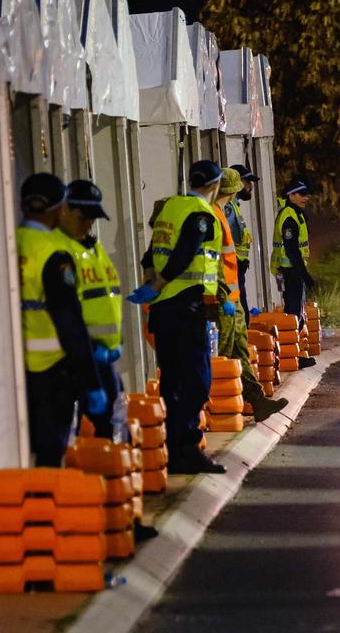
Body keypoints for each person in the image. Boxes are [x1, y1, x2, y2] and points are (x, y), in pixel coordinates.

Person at [128, 160, 226, 475]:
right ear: (214, 186)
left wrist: (150, 284)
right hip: (187, 309)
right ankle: (186, 448)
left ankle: (172, 450)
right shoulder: (201, 215)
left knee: (172, 382)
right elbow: (185, 254)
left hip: (164, 310)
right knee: (198, 382)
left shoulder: (169, 208)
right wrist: (157, 283)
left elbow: (150, 254)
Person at [16, 173, 105, 466]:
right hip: (51, 372)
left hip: (11, 372)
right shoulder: (53, 255)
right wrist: (91, 381)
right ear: (58, 208)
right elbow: (69, 322)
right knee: (50, 455)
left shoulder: (8, 244)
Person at [212, 168, 288, 421]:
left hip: (230, 299)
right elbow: (213, 263)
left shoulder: (223, 211)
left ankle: (257, 401)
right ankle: (211, 411)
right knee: (221, 356)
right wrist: (224, 298)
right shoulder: (215, 214)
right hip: (220, 300)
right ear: (233, 188)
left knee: (238, 353)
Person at [57, 180, 125, 440]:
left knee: (114, 427)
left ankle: (113, 477)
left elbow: (107, 299)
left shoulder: (94, 248)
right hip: (76, 359)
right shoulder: (61, 251)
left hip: (104, 358)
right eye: (83, 217)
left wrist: (116, 341)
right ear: (64, 210)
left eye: (93, 219)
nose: (88, 225)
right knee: (72, 432)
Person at [271, 178, 316, 332]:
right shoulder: (289, 217)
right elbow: (292, 250)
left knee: (297, 312)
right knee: (293, 314)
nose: (306, 198)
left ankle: (297, 353)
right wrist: (306, 275)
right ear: (291, 196)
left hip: (293, 270)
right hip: (289, 270)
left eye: (307, 195)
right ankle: (292, 353)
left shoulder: (296, 214)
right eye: (302, 194)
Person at [225, 164, 259, 321]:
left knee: (242, 313)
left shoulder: (234, 206)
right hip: (232, 269)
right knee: (241, 316)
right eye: (247, 182)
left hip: (238, 268)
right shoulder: (229, 208)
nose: (250, 187)